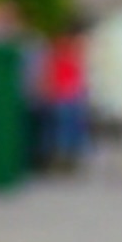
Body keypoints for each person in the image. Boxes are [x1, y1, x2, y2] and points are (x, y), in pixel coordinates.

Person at [36, 20, 92, 170]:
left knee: (70, 122)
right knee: (63, 123)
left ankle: (65, 155)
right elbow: (49, 77)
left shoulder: (70, 53)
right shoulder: (59, 52)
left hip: (68, 98)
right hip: (60, 98)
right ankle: (60, 156)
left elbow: (77, 80)